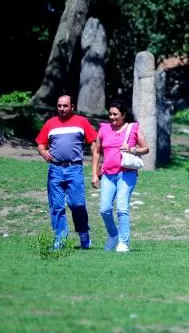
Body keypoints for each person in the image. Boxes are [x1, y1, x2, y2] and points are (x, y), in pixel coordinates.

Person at [35, 94, 98, 250]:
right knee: (56, 206)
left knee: (77, 204)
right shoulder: (50, 124)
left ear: (72, 107)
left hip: (74, 169)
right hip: (55, 169)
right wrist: (42, 152)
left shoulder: (81, 122)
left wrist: (95, 167)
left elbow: (94, 144)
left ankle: (84, 235)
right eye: (59, 106)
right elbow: (41, 144)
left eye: (65, 106)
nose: (62, 109)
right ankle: (60, 239)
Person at [91, 101, 149, 253]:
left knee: (122, 208)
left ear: (123, 115)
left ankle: (124, 242)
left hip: (126, 173)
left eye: (115, 114)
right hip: (107, 175)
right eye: (110, 114)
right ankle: (113, 235)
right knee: (104, 209)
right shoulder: (104, 128)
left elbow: (146, 148)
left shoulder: (133, 128)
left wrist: (132, 149)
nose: (112, 117)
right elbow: (96, 152)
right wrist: (94, 174)